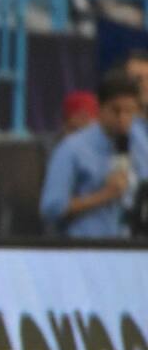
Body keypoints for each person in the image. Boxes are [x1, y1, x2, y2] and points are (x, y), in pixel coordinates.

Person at [40, 70, 148, 238]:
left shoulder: (140, 143)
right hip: (84, 248)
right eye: (116, 111)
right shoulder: (72, 149)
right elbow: (51, 208)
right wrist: (103, 195)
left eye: (130, 111)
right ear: (100, 108)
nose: (123, 118)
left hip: (132, 247)